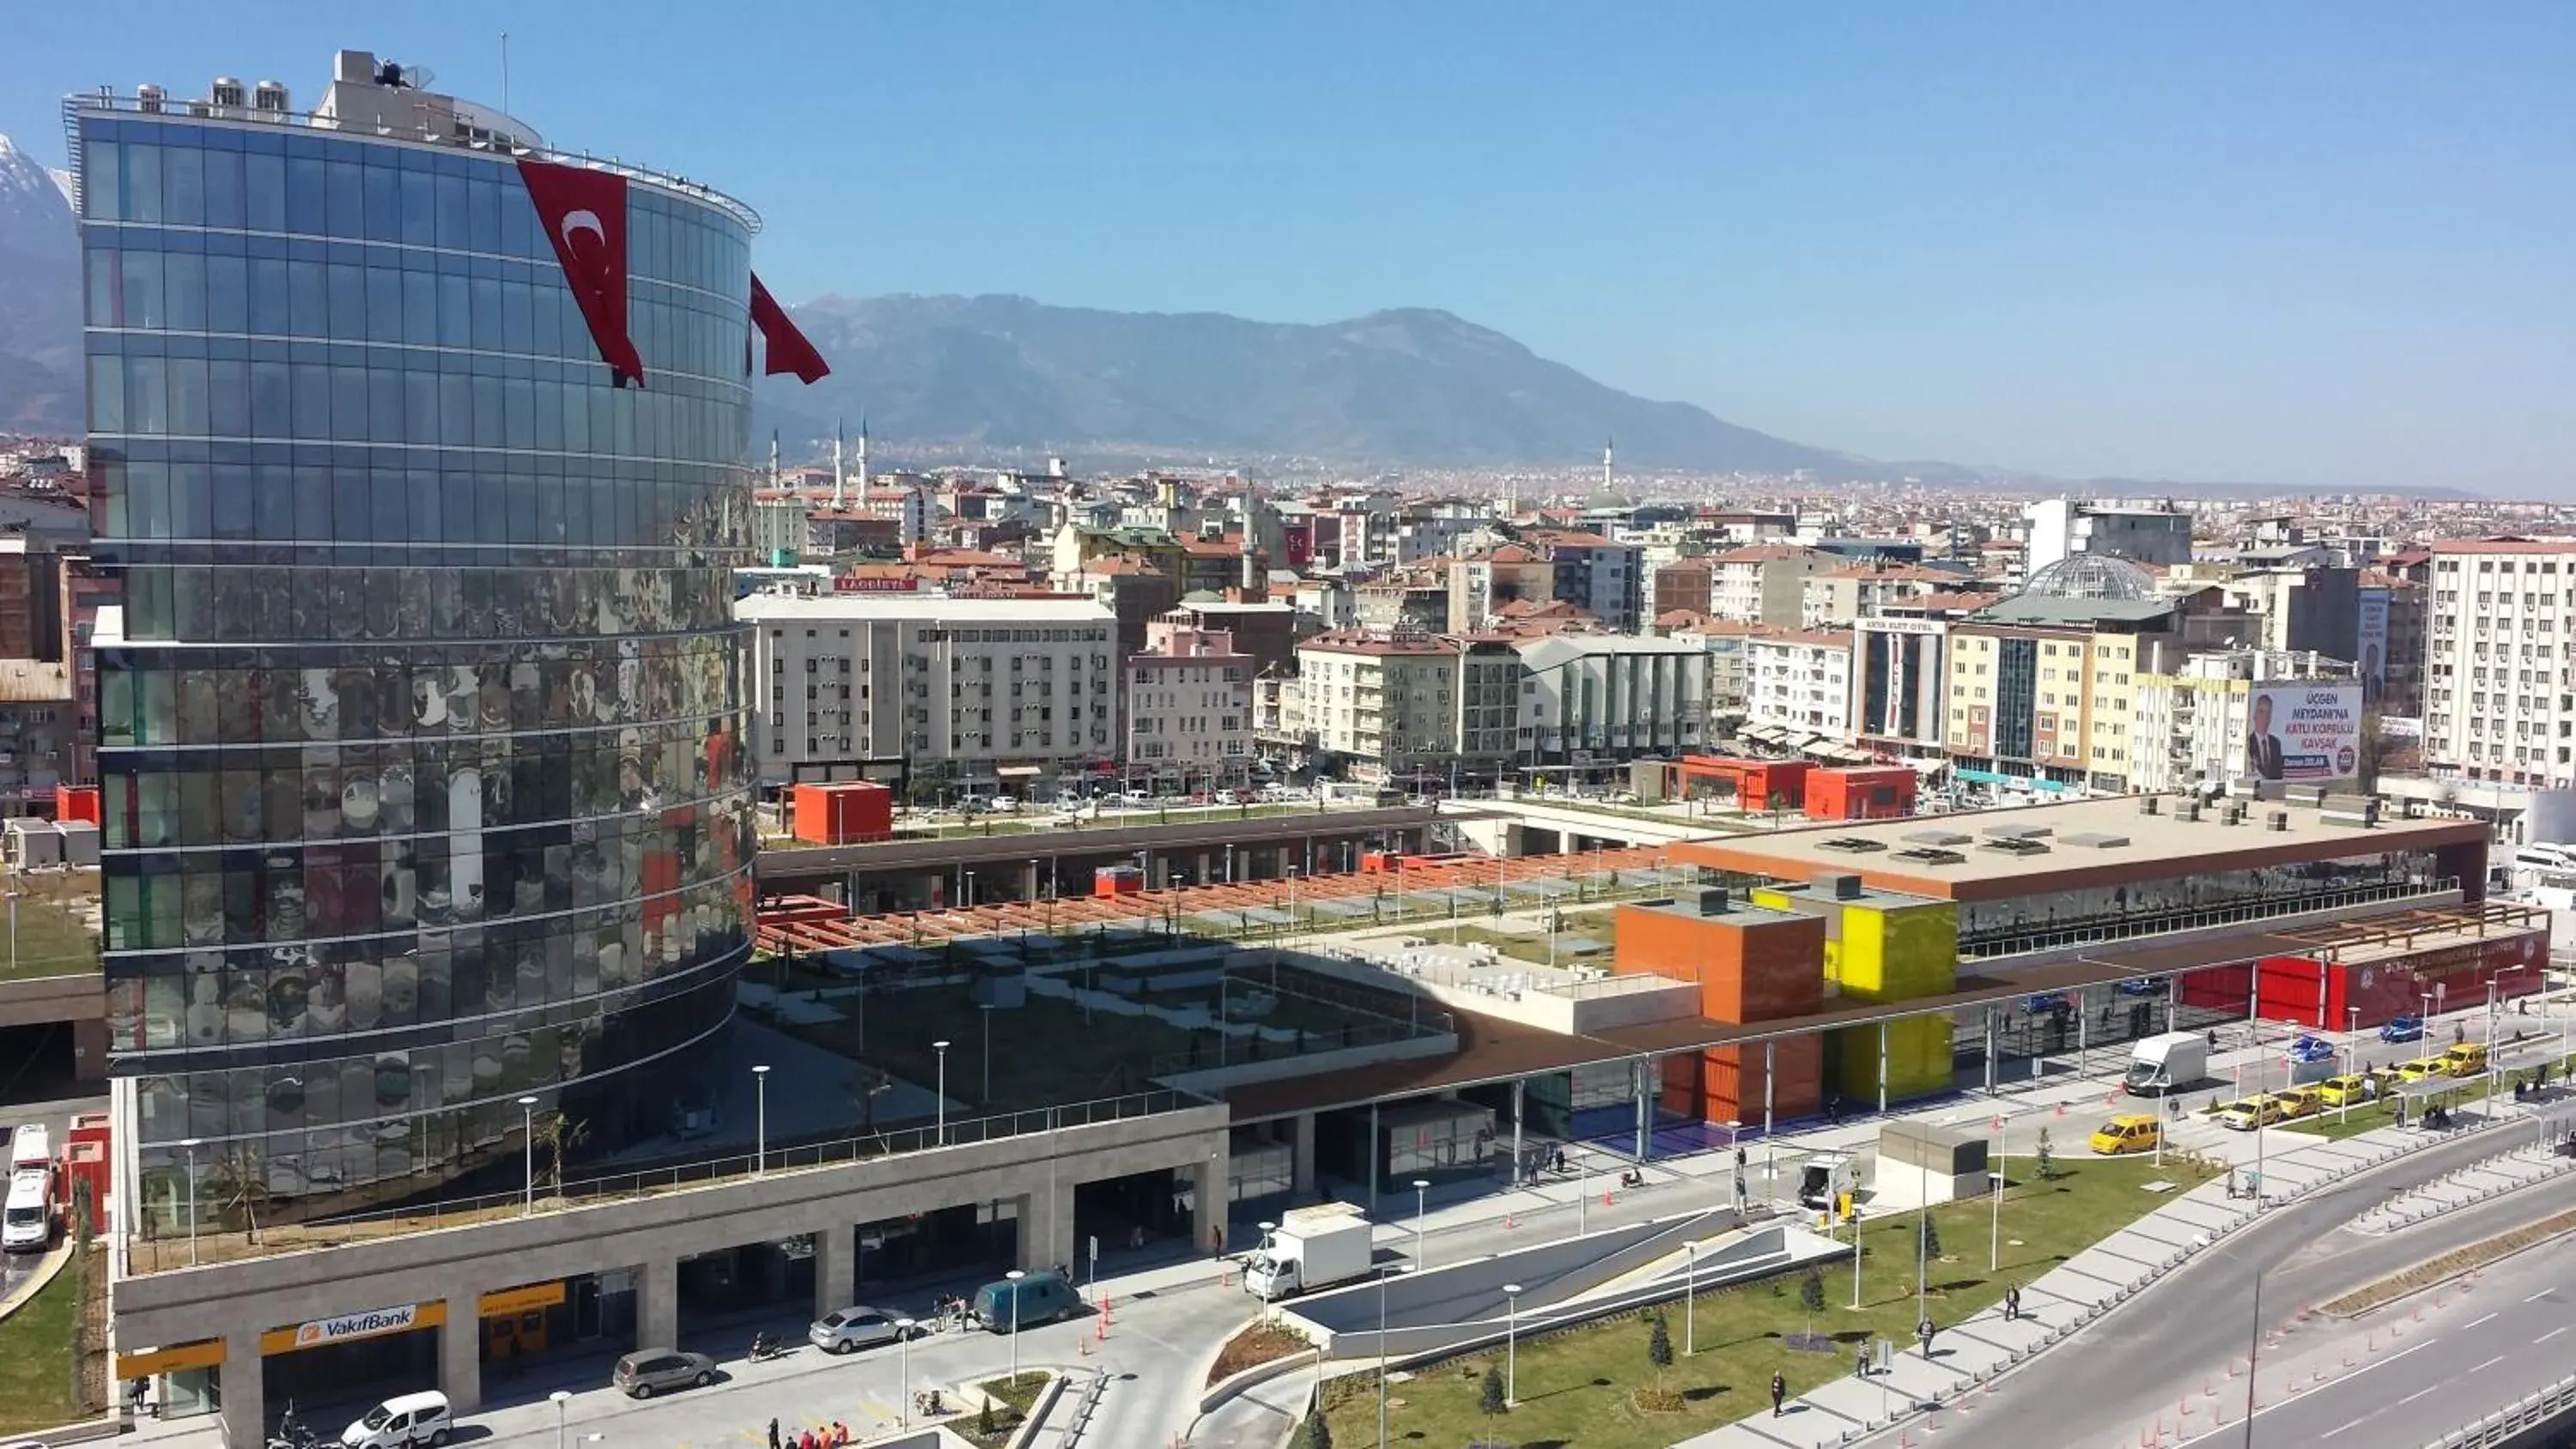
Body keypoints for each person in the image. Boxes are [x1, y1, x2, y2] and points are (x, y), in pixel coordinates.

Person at [2245, 692, 2287, 781]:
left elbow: (2278, 774)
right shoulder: (2248, 742)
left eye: (2268, 713)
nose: (2265, 717)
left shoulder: (2276, 743)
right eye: (2261, 712)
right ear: (2255, 715)